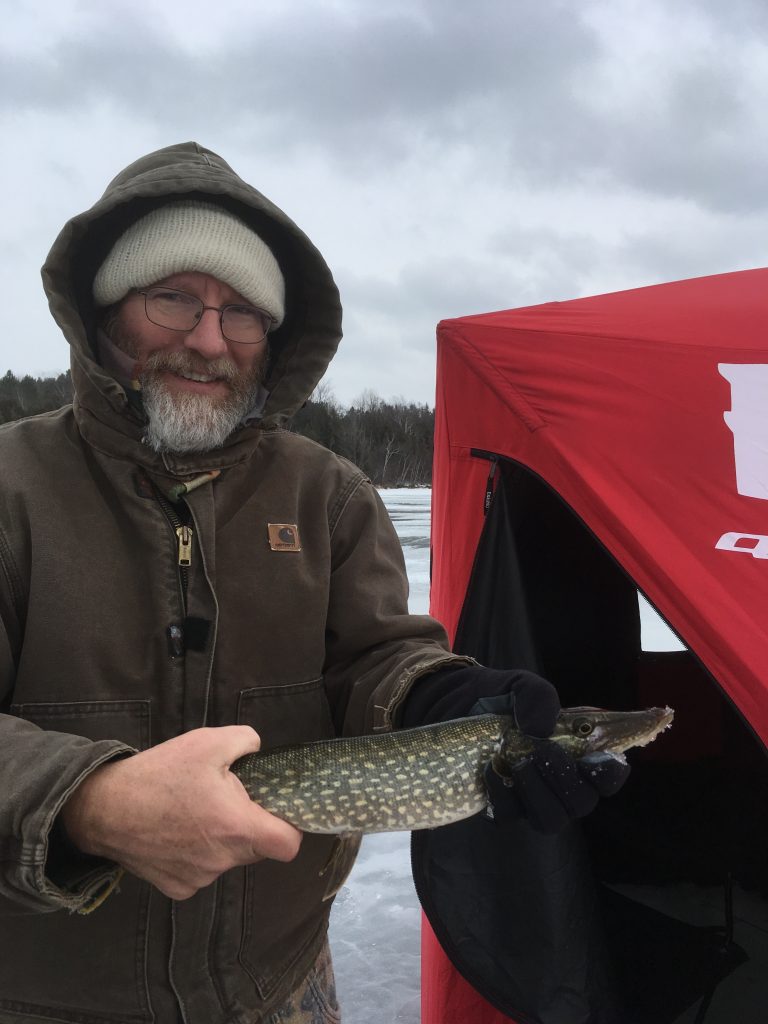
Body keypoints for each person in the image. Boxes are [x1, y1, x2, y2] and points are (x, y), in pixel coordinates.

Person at [0, 143, 628, 1024]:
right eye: (173, 297)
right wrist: (88, 804)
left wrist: (447, 700)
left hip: (280, 986)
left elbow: (373, 660)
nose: (209, 338)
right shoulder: (10, 489)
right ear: (105, 311)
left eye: (244, 312)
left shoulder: (328, 493)